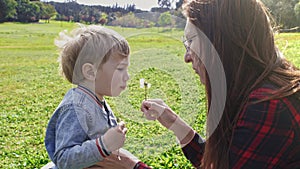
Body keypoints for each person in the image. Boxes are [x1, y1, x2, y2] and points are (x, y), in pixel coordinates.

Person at [140, 0, 300, 168]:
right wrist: (172, 121)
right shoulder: (266, 89)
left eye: (190, 41)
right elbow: (224, 162)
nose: (186, 57)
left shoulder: (267, 106)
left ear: (220, 42)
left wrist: (134, 166)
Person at [44, 25, 148, 169]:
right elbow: (64, 159)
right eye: (120, 69)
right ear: (90, 72)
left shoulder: (97, 100)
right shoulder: (76, 107)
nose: (127, 76)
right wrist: (103, 144)